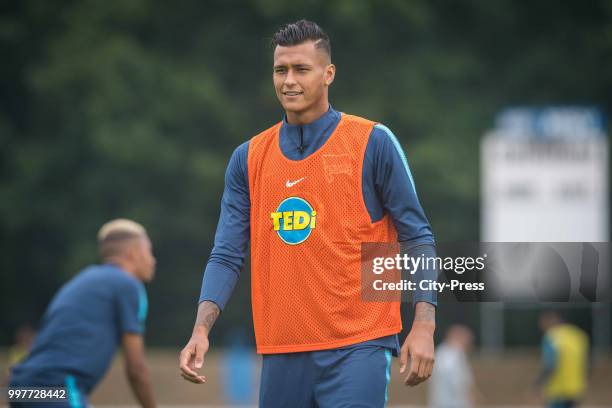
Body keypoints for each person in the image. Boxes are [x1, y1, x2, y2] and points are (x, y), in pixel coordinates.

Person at [180, 20, 438, 407]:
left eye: (301, 69)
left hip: (359, 346)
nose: (289, 81)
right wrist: (201, 328)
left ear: (328, 73)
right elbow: (227, 254)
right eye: (280, 70)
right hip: (281, 352)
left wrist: (423, 324)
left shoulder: (372, 142)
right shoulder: (247, 159)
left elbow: (417, 237)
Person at [9, 219, 157, 408]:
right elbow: (136, 370)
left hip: (22, 387)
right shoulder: (128, 285)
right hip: (57, 387)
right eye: (149, 252)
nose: (153, 260)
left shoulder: (83, 279)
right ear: (133, 253)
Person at [535, 311, 589, 408]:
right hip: (576, 390)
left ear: (552, 319)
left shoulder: (551, 336)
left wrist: (538, 383)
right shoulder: (578, 335)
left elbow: (550, 365)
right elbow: (585, 363)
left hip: (557, 391)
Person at [428, 325, 477, 408]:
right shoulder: (455, 354)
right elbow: (459, 381)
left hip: (439, 402)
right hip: (453, 403)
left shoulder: (440, 352)